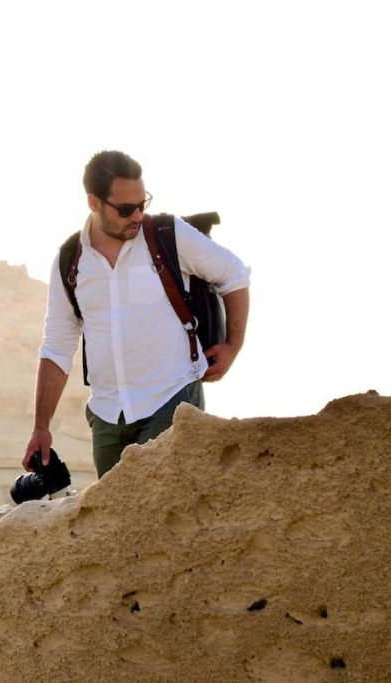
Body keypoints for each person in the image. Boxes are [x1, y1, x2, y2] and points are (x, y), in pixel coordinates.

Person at [26, 150, 251, 478]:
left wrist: (233, 346)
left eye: (142, 203)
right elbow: (57, 348)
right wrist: (40, 427)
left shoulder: (168, 236)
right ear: (94, 203)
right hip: (107, 419)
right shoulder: (70, 261)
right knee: (118, 522)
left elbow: (234, 275)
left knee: (162, 516)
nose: (137, 215)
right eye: (125, 209)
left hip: (172, 401)